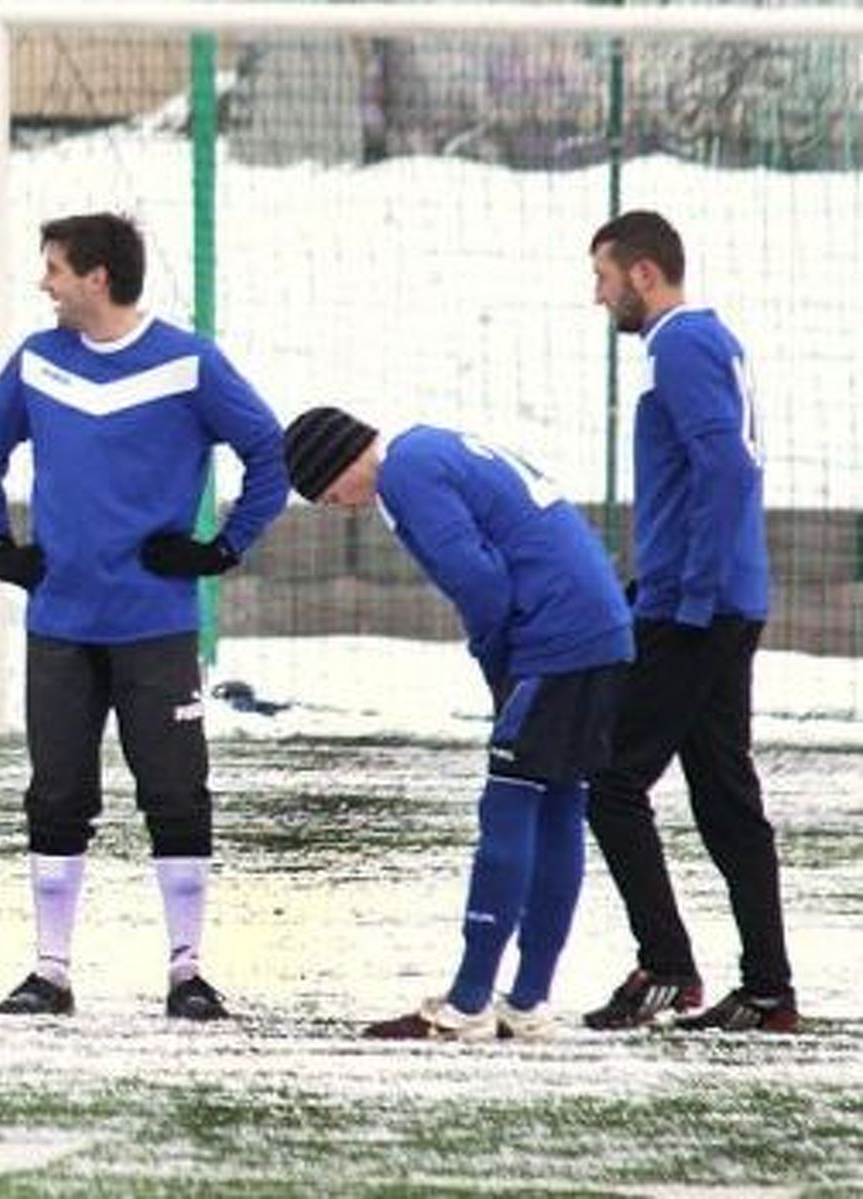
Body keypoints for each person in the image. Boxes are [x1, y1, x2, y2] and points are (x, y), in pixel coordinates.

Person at [0, 212, 287, 1021]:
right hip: (61, 624)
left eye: (54, 268)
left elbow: (269, 453)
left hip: (155, 626)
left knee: (177, 795)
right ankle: (49, 971)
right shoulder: (38, 361)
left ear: (97, 276)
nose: (44, 282)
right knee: (56, 795)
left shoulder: (188, 362)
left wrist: (221, 548)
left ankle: (186, 970)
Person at [282, 408, 634, 1040]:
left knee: (509, 809)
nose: (339, 508)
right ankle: (527, 1003)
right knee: (558, 805)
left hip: (553, 639)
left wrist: (495, 658)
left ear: (337, 463)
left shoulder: (406, 475)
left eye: (327, 494)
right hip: (598, 629)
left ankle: (469, 1003)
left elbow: (480, 582)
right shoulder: (431, 447)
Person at [581, 210, 796, 1033]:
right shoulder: (701, 341)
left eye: (602, 278)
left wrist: (690, 596)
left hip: (699, 610)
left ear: (642, 274)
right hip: (707, 600)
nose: (597, 297)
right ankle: (767, 989)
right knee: (722, 794)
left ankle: (667, 965)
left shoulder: (677, 342)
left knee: (609, 780)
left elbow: (727, 469)